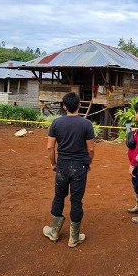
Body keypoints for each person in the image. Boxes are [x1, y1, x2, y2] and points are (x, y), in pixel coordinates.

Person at [43, 92, 95, 247]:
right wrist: (89, 163)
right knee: (76, 200)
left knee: (59, 196)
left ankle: (54, 232)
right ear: (79, 105)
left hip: (62, 166)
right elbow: (91, 149)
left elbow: (50, 147)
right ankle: (74, 237)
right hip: (80, 167)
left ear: (64, 107)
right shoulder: (86, 124)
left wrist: (53, 164)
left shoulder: (56, 123)